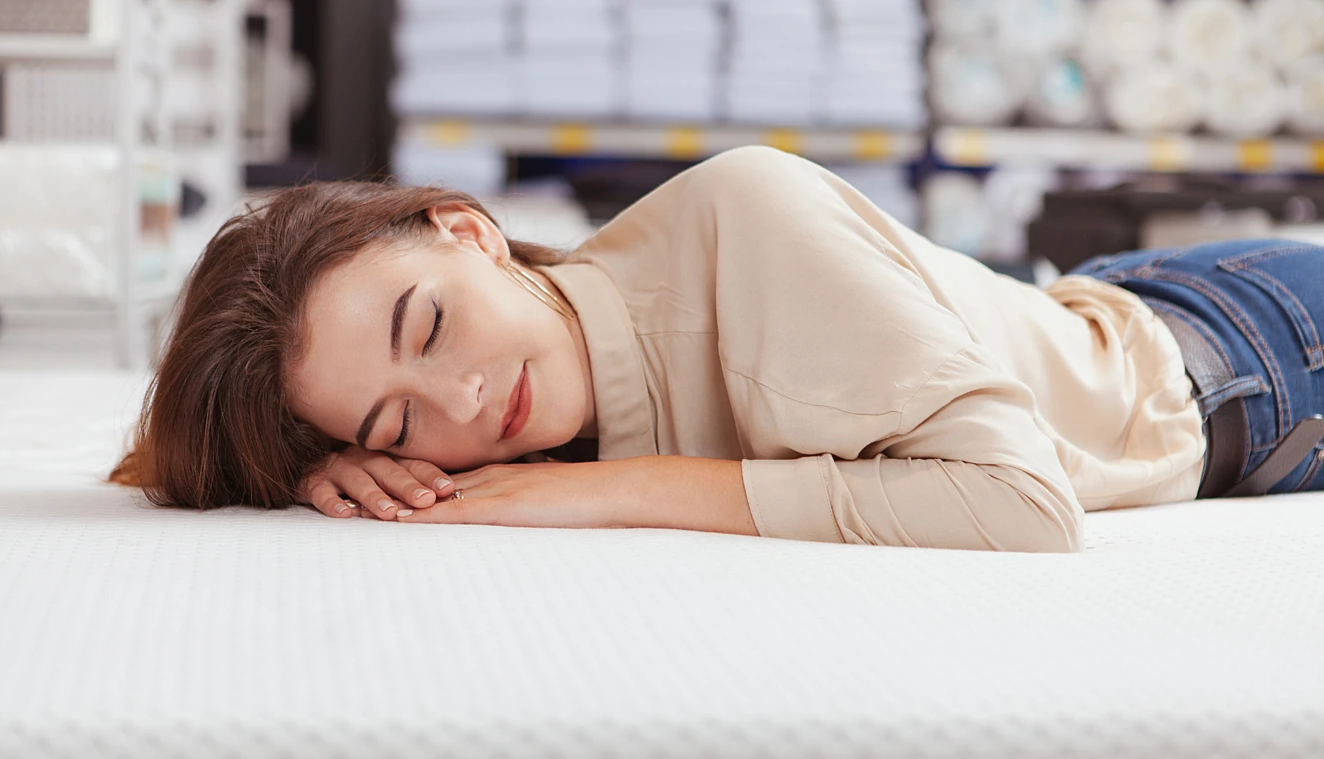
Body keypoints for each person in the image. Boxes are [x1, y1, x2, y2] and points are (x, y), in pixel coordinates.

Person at [110, 146, 1324, 552]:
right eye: (392, 423)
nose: (464, 400)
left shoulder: (750, 211)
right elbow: (166, 466)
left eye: (426, 327)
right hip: (1071, 306)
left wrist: (598, 495)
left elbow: (1021, 505)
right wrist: (317, 471)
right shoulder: (490, 417)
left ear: (470, 232)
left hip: (1254, 359)